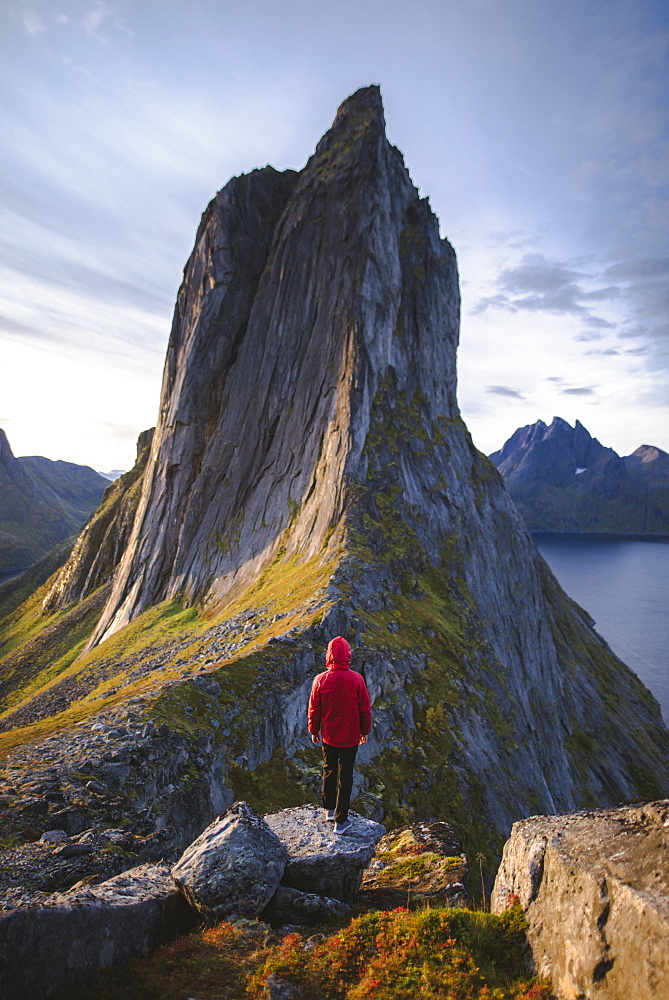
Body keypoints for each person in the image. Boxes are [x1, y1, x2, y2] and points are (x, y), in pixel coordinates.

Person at [307, 635, 372, 834]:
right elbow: (364, 709)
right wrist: (364, 731)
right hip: (350, 736)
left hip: (329, 735)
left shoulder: (321, 679)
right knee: (346, 776)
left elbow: (314, 708)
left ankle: (328, 809)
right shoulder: (356, 679)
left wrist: (313, 730)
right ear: (347, 656)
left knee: (329, 770)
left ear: (329, 656)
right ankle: (341, 821)